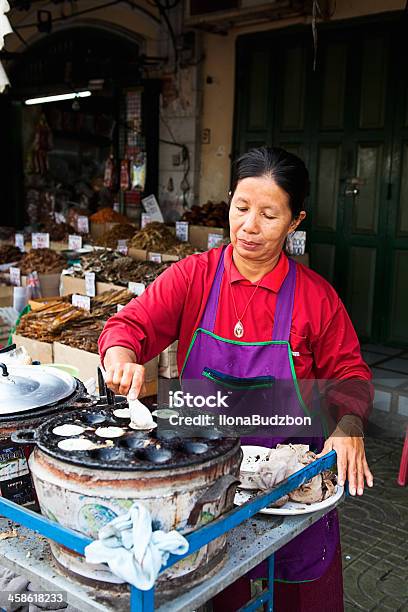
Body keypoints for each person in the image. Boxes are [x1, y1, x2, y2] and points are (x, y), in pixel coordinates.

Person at [99, 147, 374, 611]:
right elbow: (128, 326)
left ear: (295, 221)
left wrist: (349, 425)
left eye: (269, 215)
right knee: (220, 588)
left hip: (291, 487)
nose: (249, 226)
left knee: (301, 592)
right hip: (206, 478)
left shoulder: (316, 298)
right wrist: (122, 356)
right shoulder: (194, 277)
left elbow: (349, 373)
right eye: (241, 208)